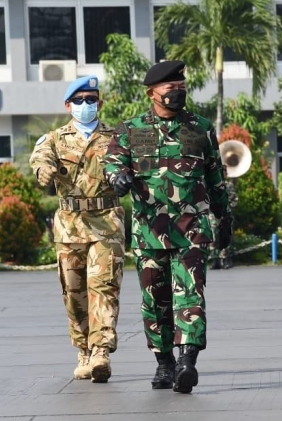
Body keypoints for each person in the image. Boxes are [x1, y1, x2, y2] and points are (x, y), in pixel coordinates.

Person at [103, 60, 232, 394]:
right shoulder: (130, 129)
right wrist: (119, 177)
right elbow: (112, 163)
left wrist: (224, 218)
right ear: (152, 93)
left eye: (181, 87)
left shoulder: (200, 128)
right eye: (170, 87)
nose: (178, 92)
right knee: (155, 300)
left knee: (191, 293)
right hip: (149, 231)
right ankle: (164, 363)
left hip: (193, 228)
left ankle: (188, 361)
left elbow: (215, 177)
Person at [29, 75, 125, 383]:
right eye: (79, 101)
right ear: (68, 106)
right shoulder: (54, 139)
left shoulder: (117, 137)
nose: (86, 105)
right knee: (73, 292)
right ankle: (83, 349)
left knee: (104, 287)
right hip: (70, 227)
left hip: (106, 223)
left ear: (100, 103)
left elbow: (132, 165)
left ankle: (101, 352)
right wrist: (44, 170)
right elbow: (40, 159)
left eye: (91, 100)